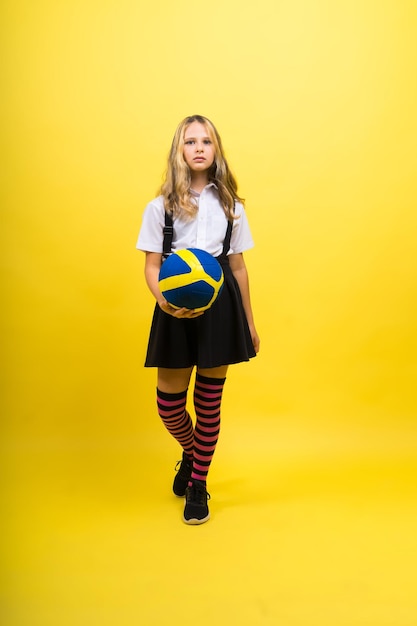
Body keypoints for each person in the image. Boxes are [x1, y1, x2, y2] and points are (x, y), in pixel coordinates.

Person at [136, 114, 260, 525]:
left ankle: (198, 483)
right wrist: (164, 301)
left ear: (216, 150)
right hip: (174, 306)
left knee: (209, 404)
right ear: (180, 151)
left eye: (207, 141)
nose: (200, 148)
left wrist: (249, 322)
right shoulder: (160, 207)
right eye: (191, 141)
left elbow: (238, 267)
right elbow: (152, 265)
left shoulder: (232, 206)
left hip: (220, 307)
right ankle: (191, 452)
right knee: (169, 405)